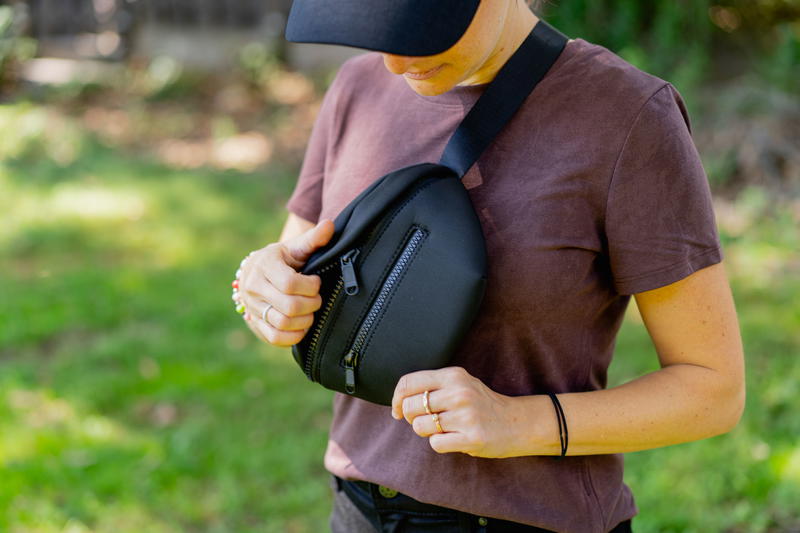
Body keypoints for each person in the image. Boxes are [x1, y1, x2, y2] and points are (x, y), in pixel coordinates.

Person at [233, 0, 746, 531]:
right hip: (357, 507)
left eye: (422, 27)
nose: (394, 62)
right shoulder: (356, 88)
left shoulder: (628, 116)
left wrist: (519, 423)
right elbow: (292, 264)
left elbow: (713, 389)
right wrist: (260, 285)